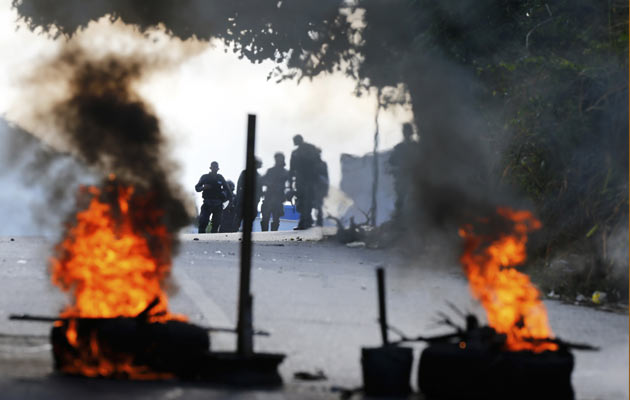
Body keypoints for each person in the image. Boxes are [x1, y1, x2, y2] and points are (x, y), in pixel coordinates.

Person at [289, 134, 322, 230]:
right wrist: (290, 184)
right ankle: (306, 221)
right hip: (300, 179)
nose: (294, 142)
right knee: (301, 200)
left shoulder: (310, 148)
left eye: (295, 140)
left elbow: (317, 163)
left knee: (308, 200)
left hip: (309, 179)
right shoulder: (295, 152)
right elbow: (292, 169)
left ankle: (305, 222)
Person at [387, 123, 419, 219]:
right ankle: (399, 219)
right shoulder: (399, 148)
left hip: (414, 178)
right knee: (401, 199)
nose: (407, 134)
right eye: (406, 131)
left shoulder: (415, 146)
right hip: (402, 179)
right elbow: (391, 162)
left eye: (408, 131)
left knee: (416, 199)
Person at [195, 161, 230, 233]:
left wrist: (225, 196)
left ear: (218, 169)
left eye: (216, 167)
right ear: (210, 168)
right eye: (213, 167)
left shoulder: (220, 177)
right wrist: (203, 187)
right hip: (207, 203)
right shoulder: (205, 177)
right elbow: (197, 188)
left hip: (218, 204)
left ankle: (213, 239)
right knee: (203, 222)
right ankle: (200, 239)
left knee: (216, 224)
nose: (214, 169)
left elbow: (228, 190)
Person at [260, 152, 290, 231]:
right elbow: (262, 180)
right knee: (265, 218)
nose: (278, 161)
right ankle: (264, 234)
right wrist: (269, 184)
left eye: (279, 159)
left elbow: (290, 185)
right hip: (269, 197)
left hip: (278, 198)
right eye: (277, 159)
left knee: (276, 218)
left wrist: (287, 193)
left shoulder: (286, 172)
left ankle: (273, 234)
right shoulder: (270, 171)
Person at [233, 157, 263, 231]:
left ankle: (246, 229)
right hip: (243, 198)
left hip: (253, 199)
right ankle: (235, 230)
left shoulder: (258, 176)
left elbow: (260, 188)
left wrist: (258, 199)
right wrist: (238, 197)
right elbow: (239, 185)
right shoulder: (244, 173)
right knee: (239, 215)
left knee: (252, 215)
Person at [313, 159, 329, 227]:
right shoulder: (311, 163)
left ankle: (319, 221)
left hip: (320, 189)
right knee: (315, 205)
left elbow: (326, 177)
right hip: (314, 188)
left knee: (319, 205)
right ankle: (318, 221)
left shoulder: (322, 164)